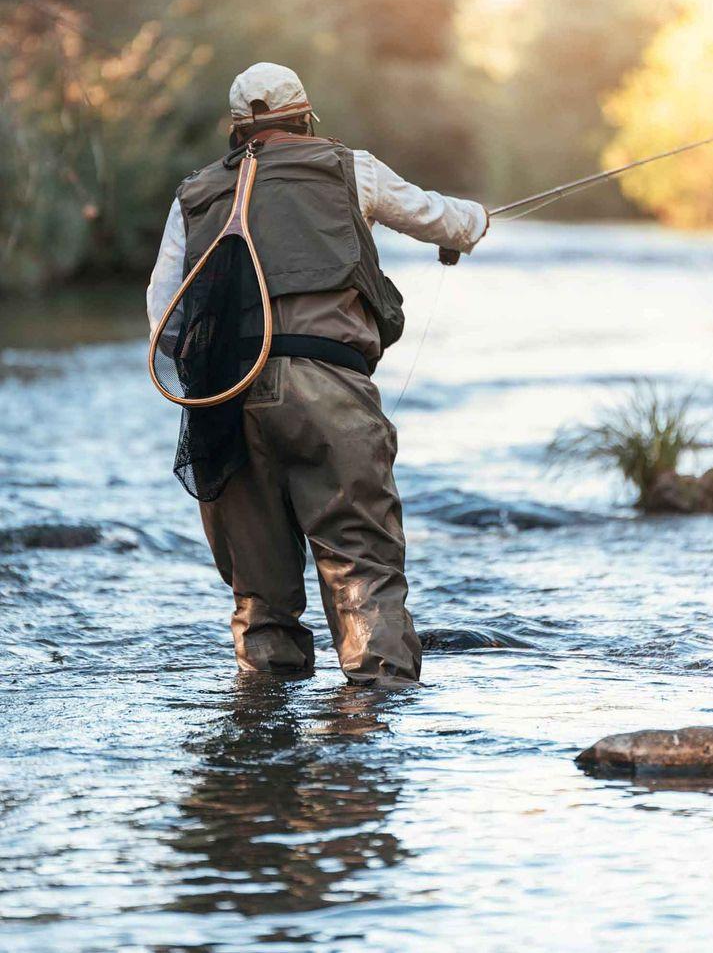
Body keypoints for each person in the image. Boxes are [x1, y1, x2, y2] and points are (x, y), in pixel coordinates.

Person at [146, 62, 488, 686]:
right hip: (327, 387)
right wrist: (475, 223)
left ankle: (258, 753)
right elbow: (445, 221)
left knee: (259, 595)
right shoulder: (349, 166)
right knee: (362, 570)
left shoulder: (192, 195)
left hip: (222, 403)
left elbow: (164, 325)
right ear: (305, 117)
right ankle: (368, 737)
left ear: (235, 130)